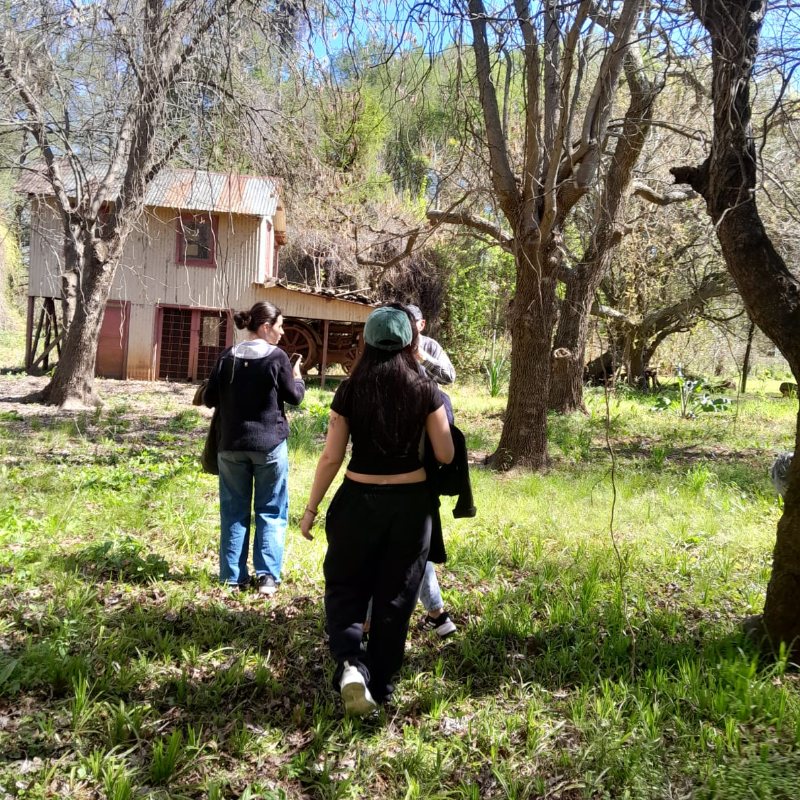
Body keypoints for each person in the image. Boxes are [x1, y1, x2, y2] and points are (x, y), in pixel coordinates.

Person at [300, 305, 454, 715]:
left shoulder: (350, 389)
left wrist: (311, 509)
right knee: (397, 596)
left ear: (367, 341)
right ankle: (381, 684)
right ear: (410, 341)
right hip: (410, 509)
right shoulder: (427, 391)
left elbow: (331, 457)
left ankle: (351, 663)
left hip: (356, 503)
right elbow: (444, 451)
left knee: (346, 587)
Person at [204, 301, 305, 595]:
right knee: (270, 510)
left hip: (231, 446)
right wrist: (297, 377)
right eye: (280, 325)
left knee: (233, 510)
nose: (282, 332)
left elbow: (210, 398)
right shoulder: (277, 358)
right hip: (269, 447)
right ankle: (267, 578)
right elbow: (294, 397)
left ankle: (232, 578)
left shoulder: (227, 357)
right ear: (265, 327)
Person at [404, 303, 458, 637]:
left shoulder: (431, 347)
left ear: (421, 324)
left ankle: (437, 615)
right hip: (398, 449)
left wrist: (425, 360)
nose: (409, 327)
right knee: (413, 543)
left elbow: (450, 378)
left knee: (412, 542)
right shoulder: (387, 350)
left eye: (413, 322)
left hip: (425, 443)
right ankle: (438, 616)